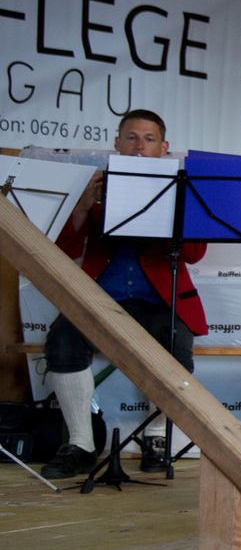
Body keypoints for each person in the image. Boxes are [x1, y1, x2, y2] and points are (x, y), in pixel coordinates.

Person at [41, 110, 207, 478]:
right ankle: (81, 445)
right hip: (101, 299)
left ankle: (156, 437)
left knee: (176, 347)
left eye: (149, 139)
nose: (139, 146)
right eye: (131, 137)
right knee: (63, 340)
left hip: (157, 302)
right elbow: (65, 248)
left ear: (164, 148)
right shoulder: (97, 185)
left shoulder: (182, 188)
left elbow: (194, 254)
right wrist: (84, 204)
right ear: (117, 143)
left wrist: (175, 211)